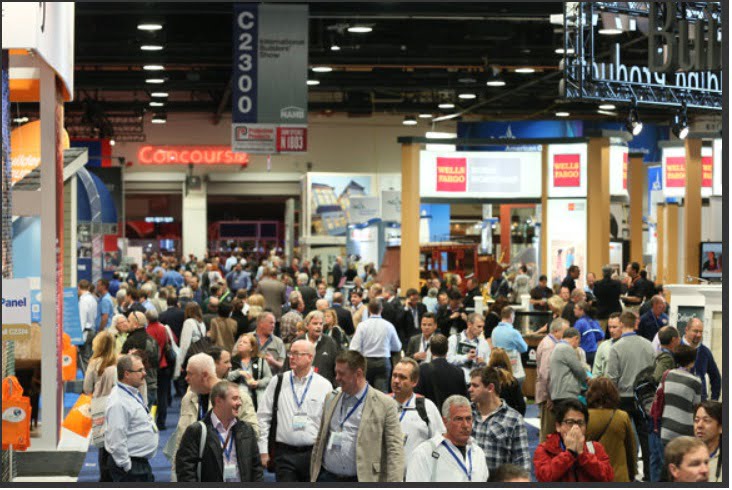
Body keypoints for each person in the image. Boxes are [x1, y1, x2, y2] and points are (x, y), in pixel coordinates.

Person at [309, 350, 405, 482]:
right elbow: (321, 438)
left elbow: (395, 450)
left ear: (358, 374)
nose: (336, 378)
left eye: (341, 374)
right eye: (336, 372)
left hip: (361, 478)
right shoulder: (330, 397)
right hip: (327, 477)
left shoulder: (385, 404)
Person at [171, 353, 259, 479]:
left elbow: (253, 432)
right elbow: (180, 439)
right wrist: (176, 472)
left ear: (204, 375)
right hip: (195, 474)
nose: (186, 378)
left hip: (228, 470)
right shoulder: (188, 398)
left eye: (190, 373)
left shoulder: (238, 397)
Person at [257, 340, 333, 482]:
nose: (291, 357)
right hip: (284, 454)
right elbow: (263, 417)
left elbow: (329, 423)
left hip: (313, 454)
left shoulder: (324, 385)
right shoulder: (278, 381)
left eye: (297, 354)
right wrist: (263, 450)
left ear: (310, 357)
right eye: (290, 353)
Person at [175, 380, 263, 482]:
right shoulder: (196, 431)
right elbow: (185, 471)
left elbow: (256, 468)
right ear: (218, 401)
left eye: (239, 399)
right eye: (235, 399)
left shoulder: (247, 430)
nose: (239, 403)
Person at [606, 311, 655, 481]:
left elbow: (611, 378)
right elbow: (654, 373)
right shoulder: (649, 345)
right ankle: (649, 476)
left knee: (623, 439)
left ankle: (627, 475)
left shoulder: (616, 347)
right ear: (636, 324)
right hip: (644, 399)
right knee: (646, 438)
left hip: (622, 398)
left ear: (621, 324)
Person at [405, 395, 489, 482]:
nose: (465, 425)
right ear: (445, 421)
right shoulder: (423, 454)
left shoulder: (478, 453)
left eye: (468, 419)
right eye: (459, 419)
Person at [104, 354, 158, 482]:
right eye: (140, 370)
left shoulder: (131, 392)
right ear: (127, 374)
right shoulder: (119, 401)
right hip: (131, 467)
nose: (144, 374)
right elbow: (116, 437)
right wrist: (126, 465)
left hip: (138, 464)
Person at [534, 399, 614, 482]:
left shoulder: (595, 448)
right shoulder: (545, 449)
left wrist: (583, 456)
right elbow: (544, 477)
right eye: (570, 422)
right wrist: (569, 454)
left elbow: (608, 477)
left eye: (580, 423)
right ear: (558, 426)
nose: (575, 427)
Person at [468, 366, 530, 473]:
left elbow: (522, 462)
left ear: (490, 388)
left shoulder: (513, 419)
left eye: (475, 386)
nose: (470, 389)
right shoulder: (466, 413)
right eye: (470, 385)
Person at [390, 358, 445, 464]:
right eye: (394, 375)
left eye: (402, 377)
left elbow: (440, 443)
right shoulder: (382, 405)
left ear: (414, 382)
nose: (396, 381)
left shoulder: (426, 407)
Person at [585, 377, 637, 482]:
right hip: (619, 477)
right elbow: (631, 449)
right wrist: (632, 473)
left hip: (593, 476)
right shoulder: (622, 416)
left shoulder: (584, 418)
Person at [348, 300, 402, 393]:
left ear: (368, 309)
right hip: (383, 362)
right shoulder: (388, 326)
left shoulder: (362, 326)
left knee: (364, 392)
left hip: (366, 362)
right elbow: (397, 347)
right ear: (381, 309)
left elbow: (354, 348)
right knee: (381, 393)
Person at [659, 345, 702, 445]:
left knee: (669, 460)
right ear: (692, 362)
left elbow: (661, 395)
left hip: (667, 428)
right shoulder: (695, 381)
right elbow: (697, 406)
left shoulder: (666, 375)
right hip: (686, 430)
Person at [415, 334, 468, 412]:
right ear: (447, 349)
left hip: (429, 415)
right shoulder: (459, 372)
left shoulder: (422, 370)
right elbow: (463, 399)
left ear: (430, 350)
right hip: (452, 417)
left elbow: (417, 396)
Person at [536, 317, 569, 442]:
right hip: (549, 396)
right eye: (565, 332)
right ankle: (543, 460)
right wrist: (550, 396)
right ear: (556, 331)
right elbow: (546, 373)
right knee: (548, 432)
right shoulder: (549, 346)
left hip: (551, 394)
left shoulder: (553, 343)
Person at [121, 311, 159, 407]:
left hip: (138, 387)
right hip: (152, 383)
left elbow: (124, 366)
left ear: (136, 324)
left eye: (128, 321)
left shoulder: (131, 341)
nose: (126, 323)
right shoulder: (152, 339)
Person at [292, 310, 339, 386]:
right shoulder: (297, 342)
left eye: (321, 324)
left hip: (323, 388)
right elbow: (288, 367)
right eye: (315, 323)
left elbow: (337, 368)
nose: (319, 326)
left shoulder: (330, 343)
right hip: (299, 386)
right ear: (307, 326)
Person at [144, 308, 173, 430]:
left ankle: (151, 421)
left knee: (152, 396)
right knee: (163, 395)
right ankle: (161, 422)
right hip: (164, 365)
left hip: (153, 367)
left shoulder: (148, 331)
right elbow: (169, 344)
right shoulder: (163, 329)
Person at [229, 333, 272, 411]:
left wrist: (258, 383)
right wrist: (238, 373)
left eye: (244, 342)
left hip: (257, 400)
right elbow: (225, 378)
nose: (240, 344)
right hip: (237, 401)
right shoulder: (231, 361)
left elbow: (269, 378)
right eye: (240, 342)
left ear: (252, 348)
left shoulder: (261, 361)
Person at [681, 318, 721, 401]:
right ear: (686, 330)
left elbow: (716, 378)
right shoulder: (677, 348)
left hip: (699, 402)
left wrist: (714, 400)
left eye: (701, 332)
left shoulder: (705, 352)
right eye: (695, 331)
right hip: (679, 399)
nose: (699, 335)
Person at [548, 327, 589, 405]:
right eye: (578, 342)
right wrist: (588, 380)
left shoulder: (557, 347)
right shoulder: (566, 348)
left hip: (558, 394)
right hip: (566, 394)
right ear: (576, 338)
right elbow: (578, 369)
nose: (577, 346)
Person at [447, 313, 491, 385]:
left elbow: (489, 364)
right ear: (469, 325)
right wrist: (466, 357)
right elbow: (448, 360)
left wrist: (483, 363)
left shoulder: (484, 343)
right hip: (456, 382)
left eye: (483, 327)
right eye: (479, 327)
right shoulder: (453, 339)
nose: (481, 330)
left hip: (476, 384)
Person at [490, 307, 528, 387]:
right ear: (511, 316)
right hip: (514, 370)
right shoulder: (514, 333)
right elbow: (524, 348)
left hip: (498, 369)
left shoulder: (494, 330)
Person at [487, 348, 525, 416]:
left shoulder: (485, 379)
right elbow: (521, 405)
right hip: (509, 417)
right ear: (507, 361)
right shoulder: (512, 381)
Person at [176, 302, 207, 380]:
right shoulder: (202, 323)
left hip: (190, 357)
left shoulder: (188, 322)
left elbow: (185, 344)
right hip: (200, 356)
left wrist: (180, 363)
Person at [694, 401, 723, 482]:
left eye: (706, 420)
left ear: (721, 427)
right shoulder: (685, 456)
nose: (699, 425)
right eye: (696, 420)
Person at [592, 265, 623, 335]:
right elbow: (620, 293)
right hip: (615, 311)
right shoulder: (617, 284)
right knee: (616, 333)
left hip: (601, 312)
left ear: (602, 273)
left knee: (601, 334)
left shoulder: (597, 284)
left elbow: (596, 294)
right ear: (611, 273)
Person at [572, 300, 603, 368]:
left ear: (582, 310)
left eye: (575, 308)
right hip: (595, 353)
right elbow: (601, 335)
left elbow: (573, 337)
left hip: (584, 354)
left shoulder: (580, 323)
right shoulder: (595, 321)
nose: (574, 310)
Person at [591, 312, 622, 377]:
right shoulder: (603, 346)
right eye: (609, 327)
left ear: (623, 326)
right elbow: (596, 372)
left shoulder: (630, 345)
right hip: (608, 385)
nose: (611, 330)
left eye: (614, 327)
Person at [78, 279, 99, 373]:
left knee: (84, 359)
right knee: (89, 358)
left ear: (79, 288)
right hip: (92, 330)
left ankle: (87, 381)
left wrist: (79, 334)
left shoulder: (83, 300)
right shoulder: (93, 299)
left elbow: (82, 318)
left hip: (85, 332)